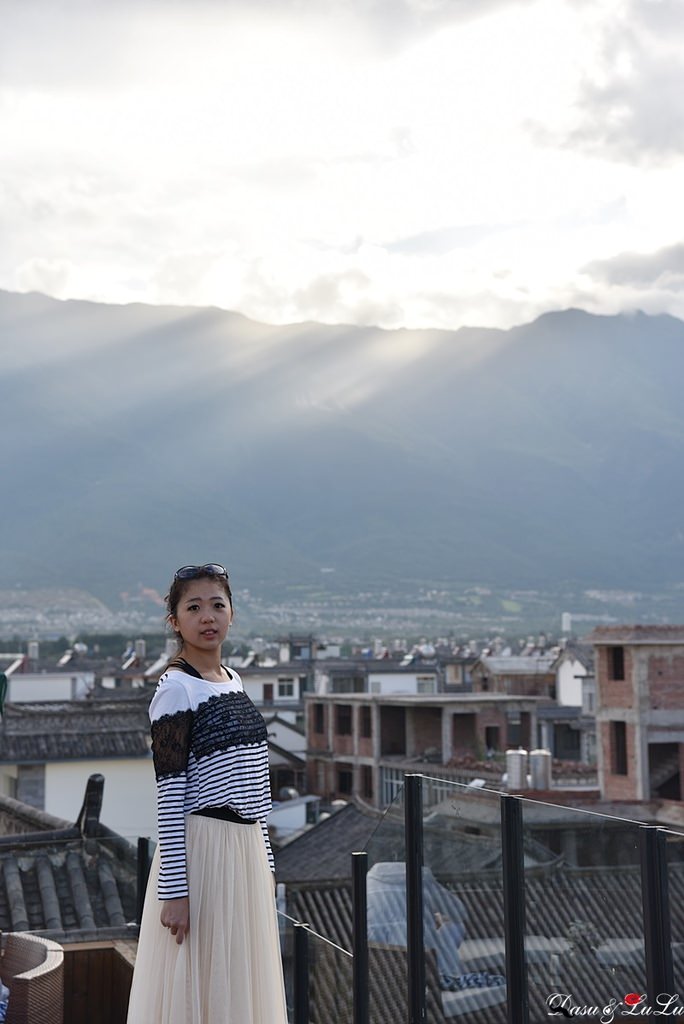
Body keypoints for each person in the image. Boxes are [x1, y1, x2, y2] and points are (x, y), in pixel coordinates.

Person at [126, 563, 288, 1024]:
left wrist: (267, 864)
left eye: (217, 604)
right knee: (202, 984)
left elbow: (256, 786)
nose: (208, 616)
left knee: (239, 983)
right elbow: (170, 794)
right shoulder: (175, 690)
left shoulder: (232, 679)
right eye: (193, 607)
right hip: (204, 854)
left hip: (246, 852)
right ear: (175, 621)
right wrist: (175, 892)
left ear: (232, 613)